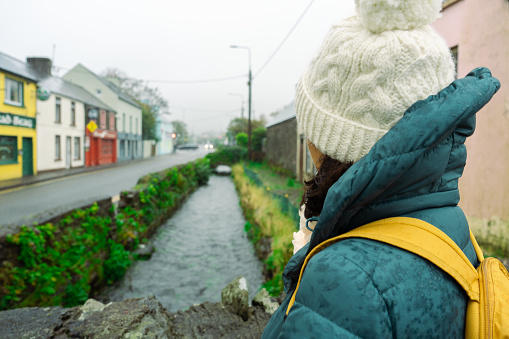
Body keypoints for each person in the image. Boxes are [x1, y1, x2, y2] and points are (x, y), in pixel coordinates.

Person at [262, 0, 500, 337]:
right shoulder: (448, 227)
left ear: (334, 145)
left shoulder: (342, 278)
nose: (308, 142)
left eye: (312, 131)